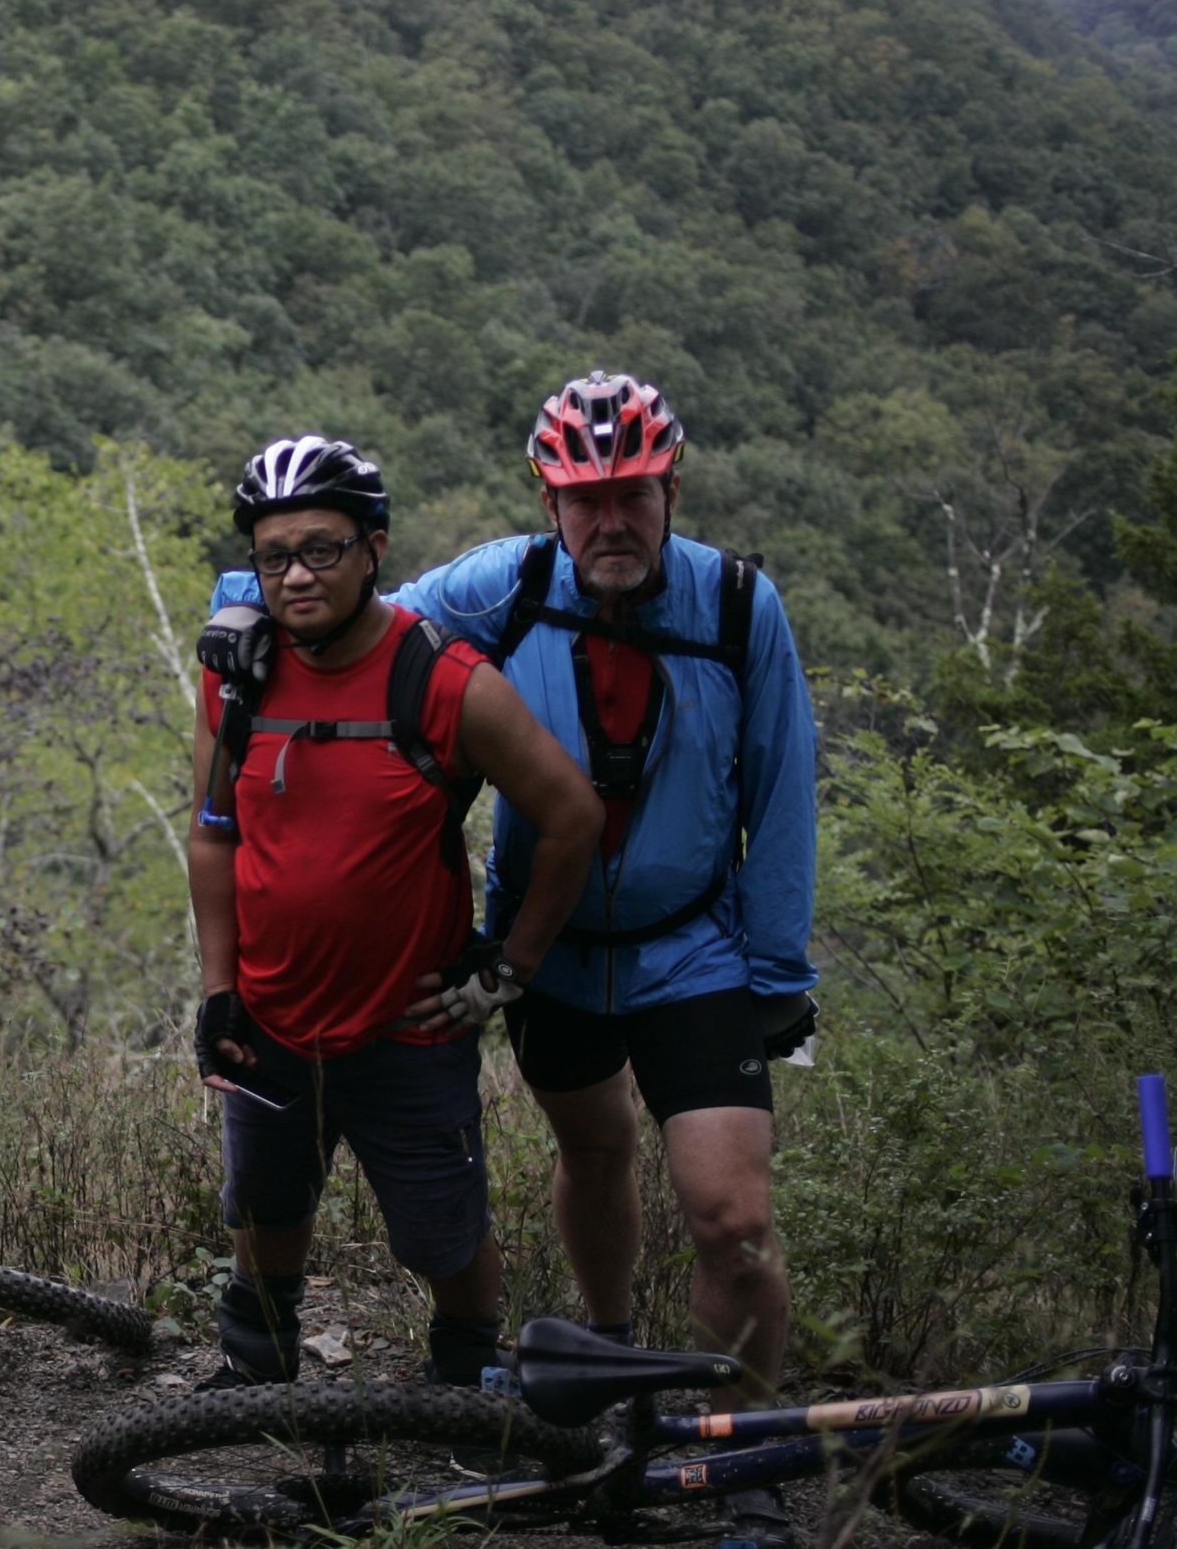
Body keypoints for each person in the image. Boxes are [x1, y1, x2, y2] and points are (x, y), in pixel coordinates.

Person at [390, 371, 819, 1549]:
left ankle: (746, 1452)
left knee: (729, 1215)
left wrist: (779, 976)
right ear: (548, 500)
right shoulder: (506, 588)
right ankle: (617, 1369)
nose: (607, 521)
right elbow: (358, 621)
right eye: (582, 499)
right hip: (553, 947)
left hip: (697, 949)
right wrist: (242, 608)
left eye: (629, 492)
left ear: (669, 485)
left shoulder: (737, 606)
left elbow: (783, 794)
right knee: (593, 1148)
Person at [190, 435, 602, 1398]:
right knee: (262, 1199)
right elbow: (214, 835)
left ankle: (463, 1382)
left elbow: (572, 814)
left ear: (374, 548)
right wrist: (218, 992)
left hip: (404, 1025)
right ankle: (257, 1370)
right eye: (275, 554)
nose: (297, 575)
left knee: (441, 1229)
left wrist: (508, 969)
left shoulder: (443, 679)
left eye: (323, 548)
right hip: (270, 1009)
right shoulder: (237, 676)